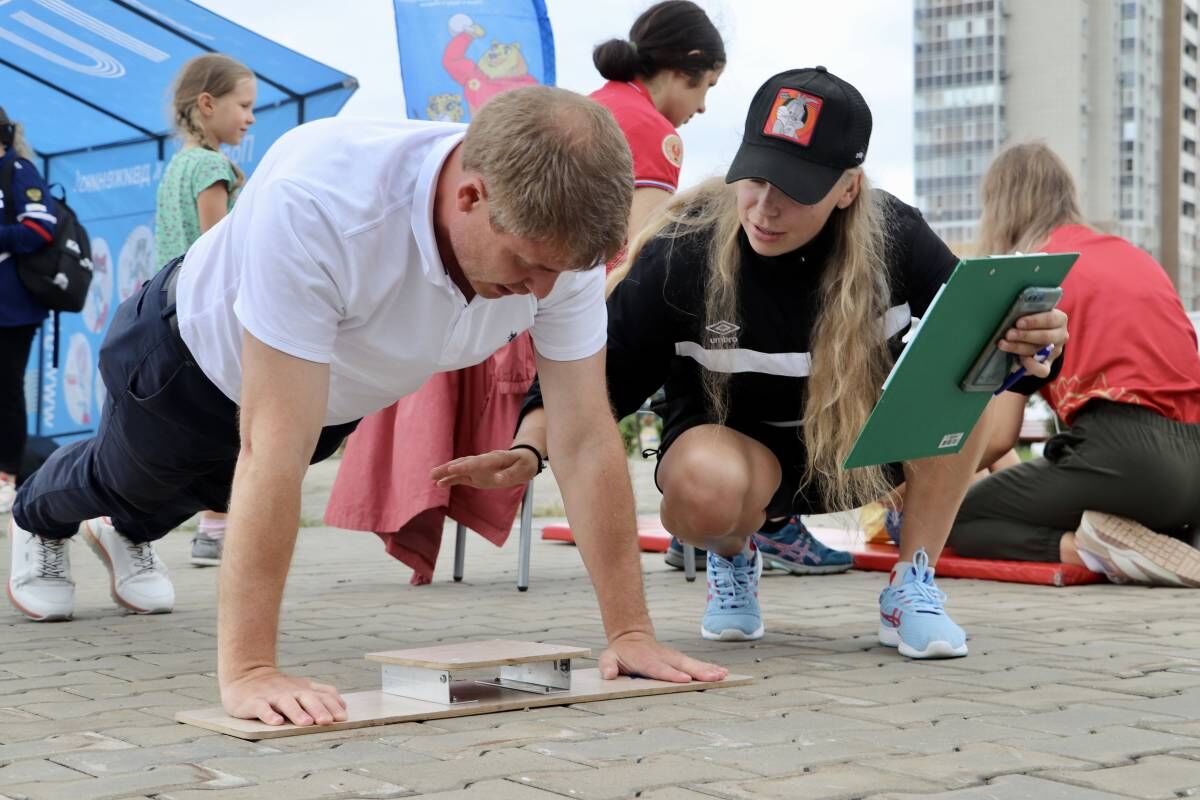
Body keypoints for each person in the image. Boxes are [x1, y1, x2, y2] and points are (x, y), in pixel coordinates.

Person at [8, 86, 727, 726]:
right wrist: (253, 672)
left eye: (560, 274)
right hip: (183, 366)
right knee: (118, 479)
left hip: (326, 398)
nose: (543, 293)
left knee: (165, 504)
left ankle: (125, 530)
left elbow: (586, 438)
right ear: (470, 196)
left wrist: (630, 633)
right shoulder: (321, 197)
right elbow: (270, 446)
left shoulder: (553, 242)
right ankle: (34, 516)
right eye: (528, 267)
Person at [433, 68, 1069, 658]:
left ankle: (911, 585)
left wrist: (1035, 342)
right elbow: (599, 381)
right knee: (704, 486)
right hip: (738, 464)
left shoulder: (897, 235)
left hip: (857, 453)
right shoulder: (684, 251)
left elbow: (994, 340)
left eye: (793, 191)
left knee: (958, 382)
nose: (765, 208)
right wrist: (529, 448)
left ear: (848, 189)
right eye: (756, 178)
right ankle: (734, 559)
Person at [323, 0, 727, 584]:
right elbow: (643, 256)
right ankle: (719, 527)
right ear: (686, 65)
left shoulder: (583, 112)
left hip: (497, 312)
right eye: (706, 86)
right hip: (574, 314)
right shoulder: (654, 132)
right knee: (705, 352)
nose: (704, 106)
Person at [948, 142, 1200, 586]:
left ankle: (1090, 546)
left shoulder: (1035, 277)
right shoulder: (1133, 257)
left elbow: (998, 437)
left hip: (1128, 457)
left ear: (1000, 208)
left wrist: (923, 486)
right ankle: (1143, 540)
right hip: (1191, 462)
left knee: (961, 521)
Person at [154, 54, 257, 568]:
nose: (251, 117)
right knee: (233, 421)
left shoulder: (177, 166)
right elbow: (219, 246)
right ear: (208, 103)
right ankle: (216, 528)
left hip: (167, 310)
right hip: (212, 315)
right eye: (244, 105)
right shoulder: (214, 168)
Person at [0, 106, 54, 517]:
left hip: (14, 306)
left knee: (6, 388)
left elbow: (40, 228)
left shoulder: (18, 170)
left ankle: (8, 478)